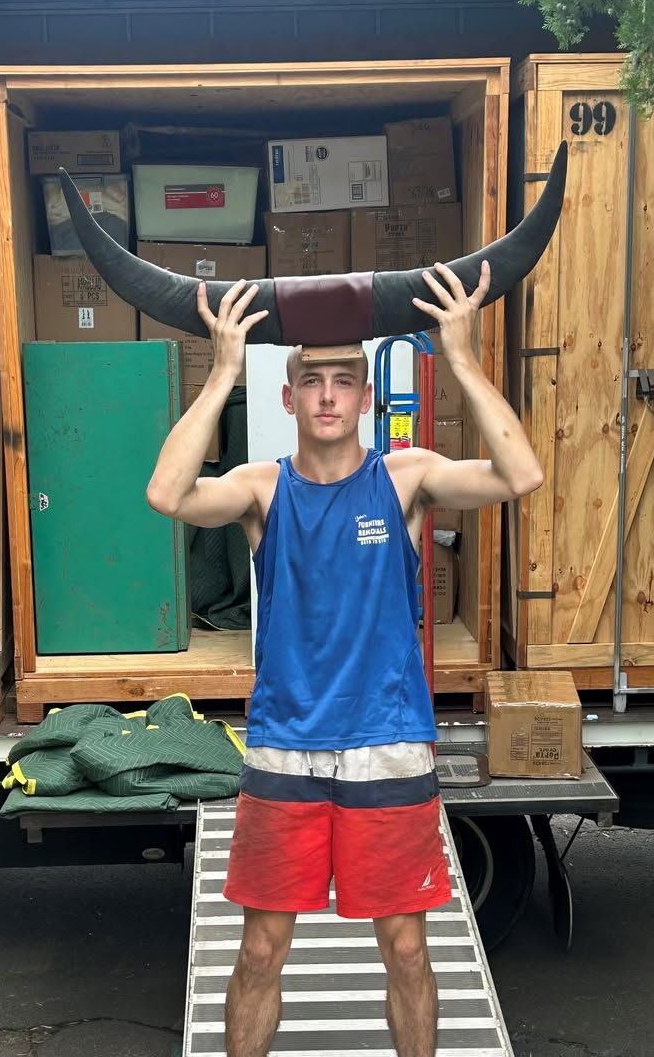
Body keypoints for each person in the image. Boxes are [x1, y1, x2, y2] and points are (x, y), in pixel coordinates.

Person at [145, 260, 544, 1057]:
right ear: (290, 398)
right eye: (312, 380)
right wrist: (225, 369)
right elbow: (168, 492)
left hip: (386, 745)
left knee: (405, 947)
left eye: (345, 380)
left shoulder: (405, 478)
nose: (328, 394)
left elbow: (520, 473)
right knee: (260, 948)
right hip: (285, 748)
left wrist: (460, 356)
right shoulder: (263, 490)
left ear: (365, 397)